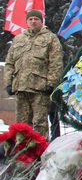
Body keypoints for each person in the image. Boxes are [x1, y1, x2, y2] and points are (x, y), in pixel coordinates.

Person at [4, 10, 63, 138]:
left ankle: (39, 151)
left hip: (40, 88)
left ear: (41, 21)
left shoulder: (50, 38)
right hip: (21, 87)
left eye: (36, 19)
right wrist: (8, 82)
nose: (33, 21)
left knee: (39, 124)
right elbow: (9, 62)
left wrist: (51, 84)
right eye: (30, 19)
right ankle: (22, 152)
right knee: (21, 123)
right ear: (26, 22)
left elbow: (56, 63)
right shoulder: (19, 39)